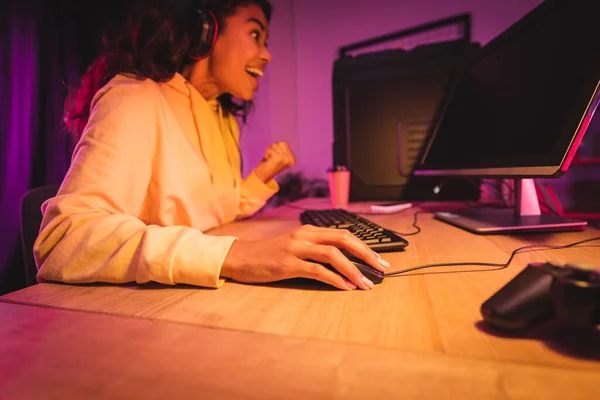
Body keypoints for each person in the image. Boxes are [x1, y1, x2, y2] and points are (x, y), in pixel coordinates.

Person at [34, 0, 390, 291]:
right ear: (207, 30)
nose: (267, 55)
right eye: (255, 34)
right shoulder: (134, 98)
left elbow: (211, 211)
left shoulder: (221, 118)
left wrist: (263, 175)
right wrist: (235, 256)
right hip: (137, 316)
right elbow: (63, 240)